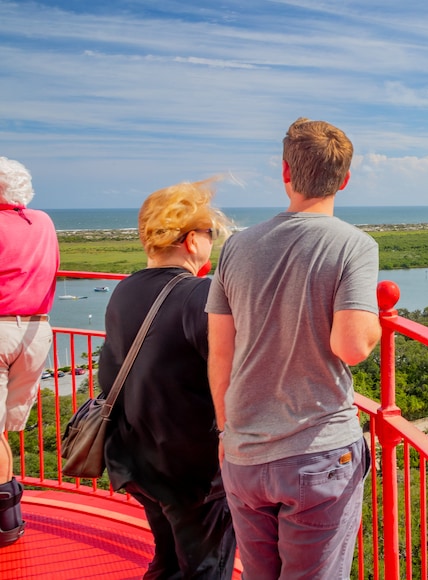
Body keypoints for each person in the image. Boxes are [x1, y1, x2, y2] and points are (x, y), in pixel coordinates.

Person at [206, 118, 381, 579]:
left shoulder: (237, 247)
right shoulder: (353, 245)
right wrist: (377, 325)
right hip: (316, 451)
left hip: (244, 452)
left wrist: (227, 432)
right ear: (344, 180)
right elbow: (353, 345)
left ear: (285, 172)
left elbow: (220, 352)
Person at [99, 180, 236, 578]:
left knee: (170, 560)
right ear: (192, 241)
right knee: (207, 568)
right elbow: (234, 373)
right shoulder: (201, 296)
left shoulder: (124, 290)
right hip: (190, 471)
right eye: (211, 234)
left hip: (135, 457)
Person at [0, 157, 59, 547]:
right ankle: (9, 518)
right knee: (2, 428)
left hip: (1, 328)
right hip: (37, 331)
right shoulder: (44, 222)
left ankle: (6, 521)